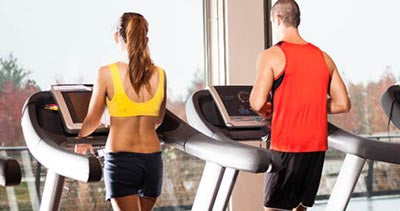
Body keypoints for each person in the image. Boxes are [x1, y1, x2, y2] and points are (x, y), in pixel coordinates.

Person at [249, 0, 350, 211]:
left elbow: (257, 102)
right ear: (298, 20)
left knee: (273, 208)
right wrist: (308, 103)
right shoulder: (324, 57)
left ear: (277, 19)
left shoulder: (271, 55)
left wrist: (273, 109)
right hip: (316, 147)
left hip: (287, 145)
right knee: (299, 208)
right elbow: (342, 104)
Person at [74, 12, 167, 211]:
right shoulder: (160, 74)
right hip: (153, 160)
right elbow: (158, 119)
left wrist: (82, 138)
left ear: (118, 36)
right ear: (145, 39)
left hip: (122, 160)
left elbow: (92, 119)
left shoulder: (107, 73)